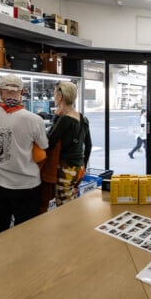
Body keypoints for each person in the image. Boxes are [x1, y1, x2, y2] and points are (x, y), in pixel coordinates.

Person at [0, 74, 48, 237]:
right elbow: (44, 145)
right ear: (22, 92)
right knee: (26, 232)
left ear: (1, 92)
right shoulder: (34, 120)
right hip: (26, 185)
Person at [41, 81, 92, 210]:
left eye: (54, 94)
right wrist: (83, 165)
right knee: (71, 199)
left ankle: (69, 229)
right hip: (78, 167)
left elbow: (49, 141)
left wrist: (56, 118)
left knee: (63, 206)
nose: (53, 97)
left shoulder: (65, 119)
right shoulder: (82, 118)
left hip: (65, 168)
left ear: (60, 96)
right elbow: (89, 145)